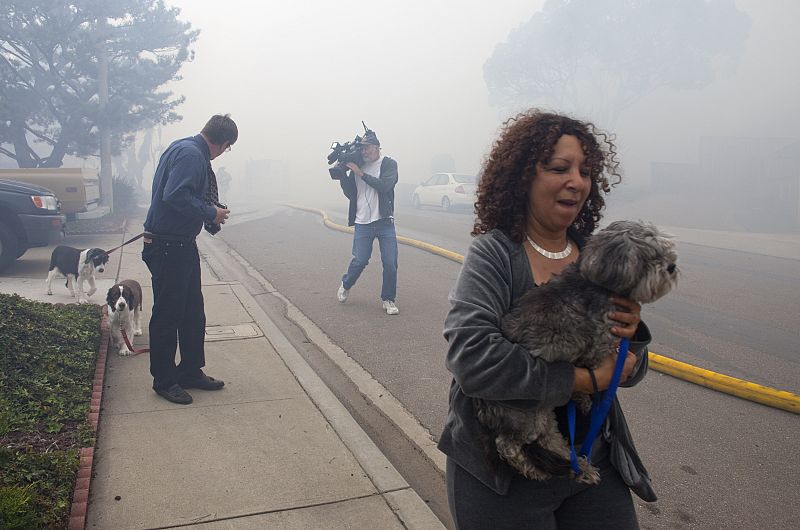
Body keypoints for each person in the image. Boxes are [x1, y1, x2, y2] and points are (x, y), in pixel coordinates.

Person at [438, 110, 656, 529]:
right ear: (523, 179)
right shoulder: (495, 254)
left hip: (593, 457)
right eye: (559, 168)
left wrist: (633, 338)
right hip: (503, 469)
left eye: (585, 171)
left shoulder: (596, 256)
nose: (577, 181)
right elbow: (472, 358)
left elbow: (628, 370)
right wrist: (584, 380)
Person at [142, 114, 237, 405]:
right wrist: (211, 213)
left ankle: (190, 370)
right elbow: (175, 195)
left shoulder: (184, 147)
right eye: (228, 147)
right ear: (223, 143)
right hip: (168, 246)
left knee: (192, 313)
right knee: (168, 315)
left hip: (180, 245)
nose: (224, 152)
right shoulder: (192, 155)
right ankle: (164, 380)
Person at [333, 128, 400, 315]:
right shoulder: (358, 165)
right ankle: (346, 284)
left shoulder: (388, 164)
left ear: (377, 147)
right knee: (360, 260)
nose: (364, 151)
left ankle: (388, 299)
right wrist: (344, 175)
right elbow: (351, 193)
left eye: (367, 148)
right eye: (362, 148)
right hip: (362, 222)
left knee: (390, 262)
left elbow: (385, 186)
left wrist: (360, 173)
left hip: (384, 222)